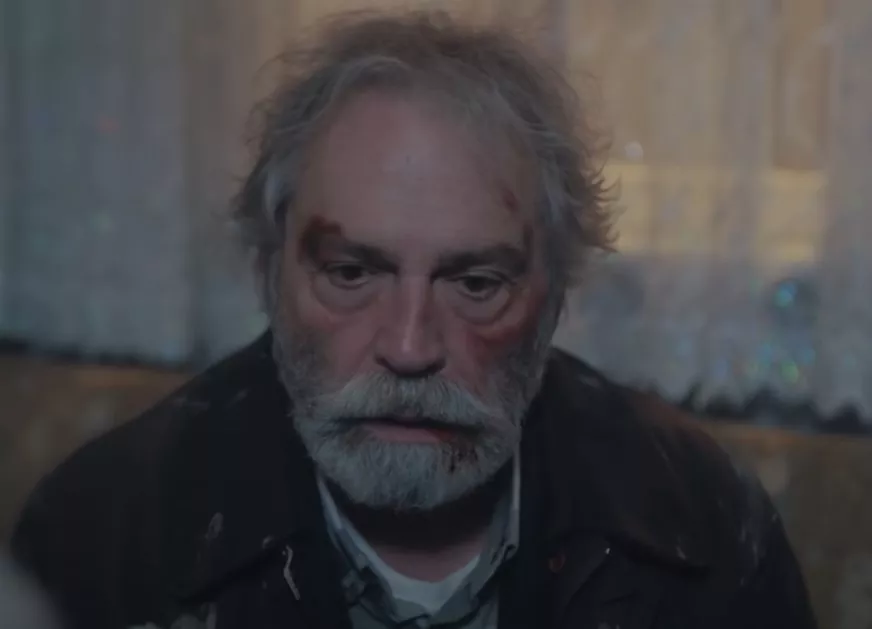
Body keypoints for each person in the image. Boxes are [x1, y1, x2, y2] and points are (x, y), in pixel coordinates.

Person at [10, 10, 816, 629]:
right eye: (351, 272)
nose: (408, 345)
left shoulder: (705, 527)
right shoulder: (100, 535)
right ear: (269, 270)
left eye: (476, 283)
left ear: (554, 296)